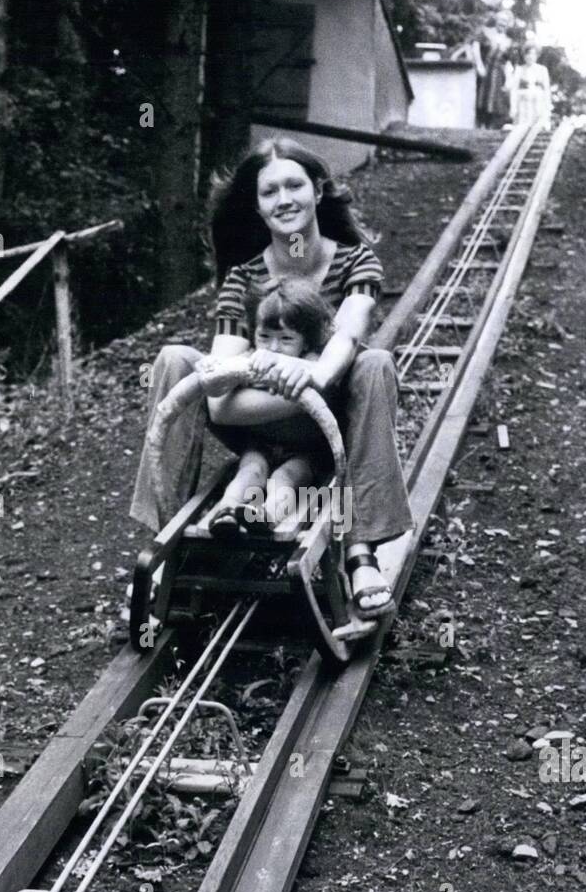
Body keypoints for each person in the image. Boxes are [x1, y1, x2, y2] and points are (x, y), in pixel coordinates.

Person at [129, 136, 414, 619]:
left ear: (318, 191)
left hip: (332, 433)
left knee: (372, 363)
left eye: (294, 185)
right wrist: (309, 382)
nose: (284, 200)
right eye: (269, 192)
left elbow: (348, 335)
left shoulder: (355, 262)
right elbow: (218, 394)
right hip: (257, 423)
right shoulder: (243, 277)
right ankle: (165, 542)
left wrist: (312, 373)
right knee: (177, 359)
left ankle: (360, 549)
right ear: (257, 207)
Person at [206, 277, 334, 537]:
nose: (274, 347)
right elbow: (219, 385)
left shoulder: (309, 362)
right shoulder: (250, 357)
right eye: (264, 337)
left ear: (305, 342)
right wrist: (230, 370)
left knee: (286, 477)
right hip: (261, 444)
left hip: (305, 450)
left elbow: (322, 376)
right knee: (250, 470)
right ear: (253, 334)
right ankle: (227, 511)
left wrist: (287, 365)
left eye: (286, 339)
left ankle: (268, 515)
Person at [472, 11, 513, 129]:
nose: (502, 23)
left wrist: (508, 79)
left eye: (505, 21)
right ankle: (478, 127)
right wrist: (479, 65)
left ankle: (489, 129)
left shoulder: (508, 41)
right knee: (481, 99)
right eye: (501, 20)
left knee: (495, 102)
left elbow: (508, 61)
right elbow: (475, 45)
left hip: (498, 74)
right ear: (496, 21)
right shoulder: (486, 32)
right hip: (485, 71)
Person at [510, 45, 552, 132]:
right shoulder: (519, 69)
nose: (530, 57)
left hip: (538, 101)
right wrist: (513, 107)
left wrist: (548, 105)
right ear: (524, 56)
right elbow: (513, 89)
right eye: (528, 54)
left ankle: (538, 126)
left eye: (533, 54)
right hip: (523, 102)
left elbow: (547, 89)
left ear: (537, 56)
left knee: (538, 96)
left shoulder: (542, 69)